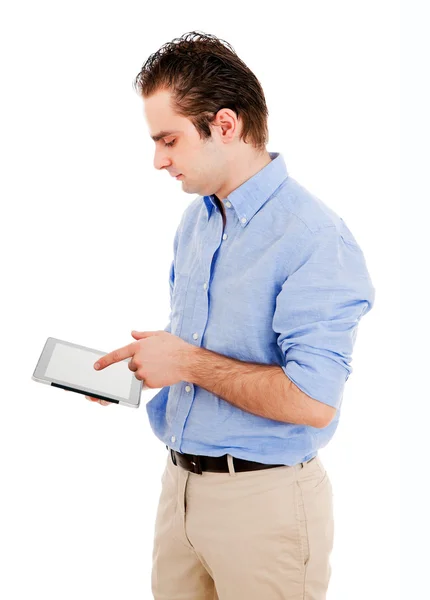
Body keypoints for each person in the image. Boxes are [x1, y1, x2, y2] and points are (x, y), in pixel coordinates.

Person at [91, 31, 376, 599]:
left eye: (168, 139)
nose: (158, 160)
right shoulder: (198, 221)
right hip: (179, 491)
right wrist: (151, 366)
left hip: (263, 509)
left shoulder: (315, 238)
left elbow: (313, 401)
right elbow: (209, 347)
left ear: (225, 125)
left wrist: (189, 363)